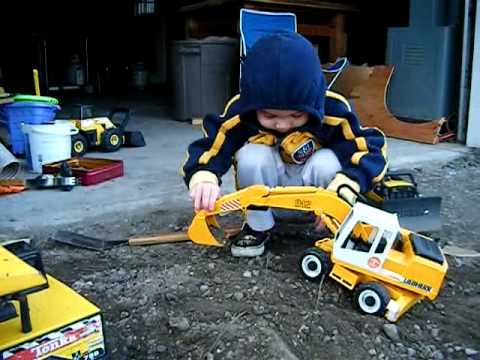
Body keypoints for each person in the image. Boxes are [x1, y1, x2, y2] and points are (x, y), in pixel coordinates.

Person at [182, 32, 387, 257]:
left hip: (318, 202)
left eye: (296, 115)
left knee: (327, 161)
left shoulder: (333, 111)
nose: (281, 124)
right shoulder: (241, 113)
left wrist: (349, 183)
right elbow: (211, 146)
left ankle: (333, 226)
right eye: (269, 116)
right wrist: (204, 176)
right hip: (267, 200)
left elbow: (368, 148)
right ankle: (258, 227)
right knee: (251, 156)